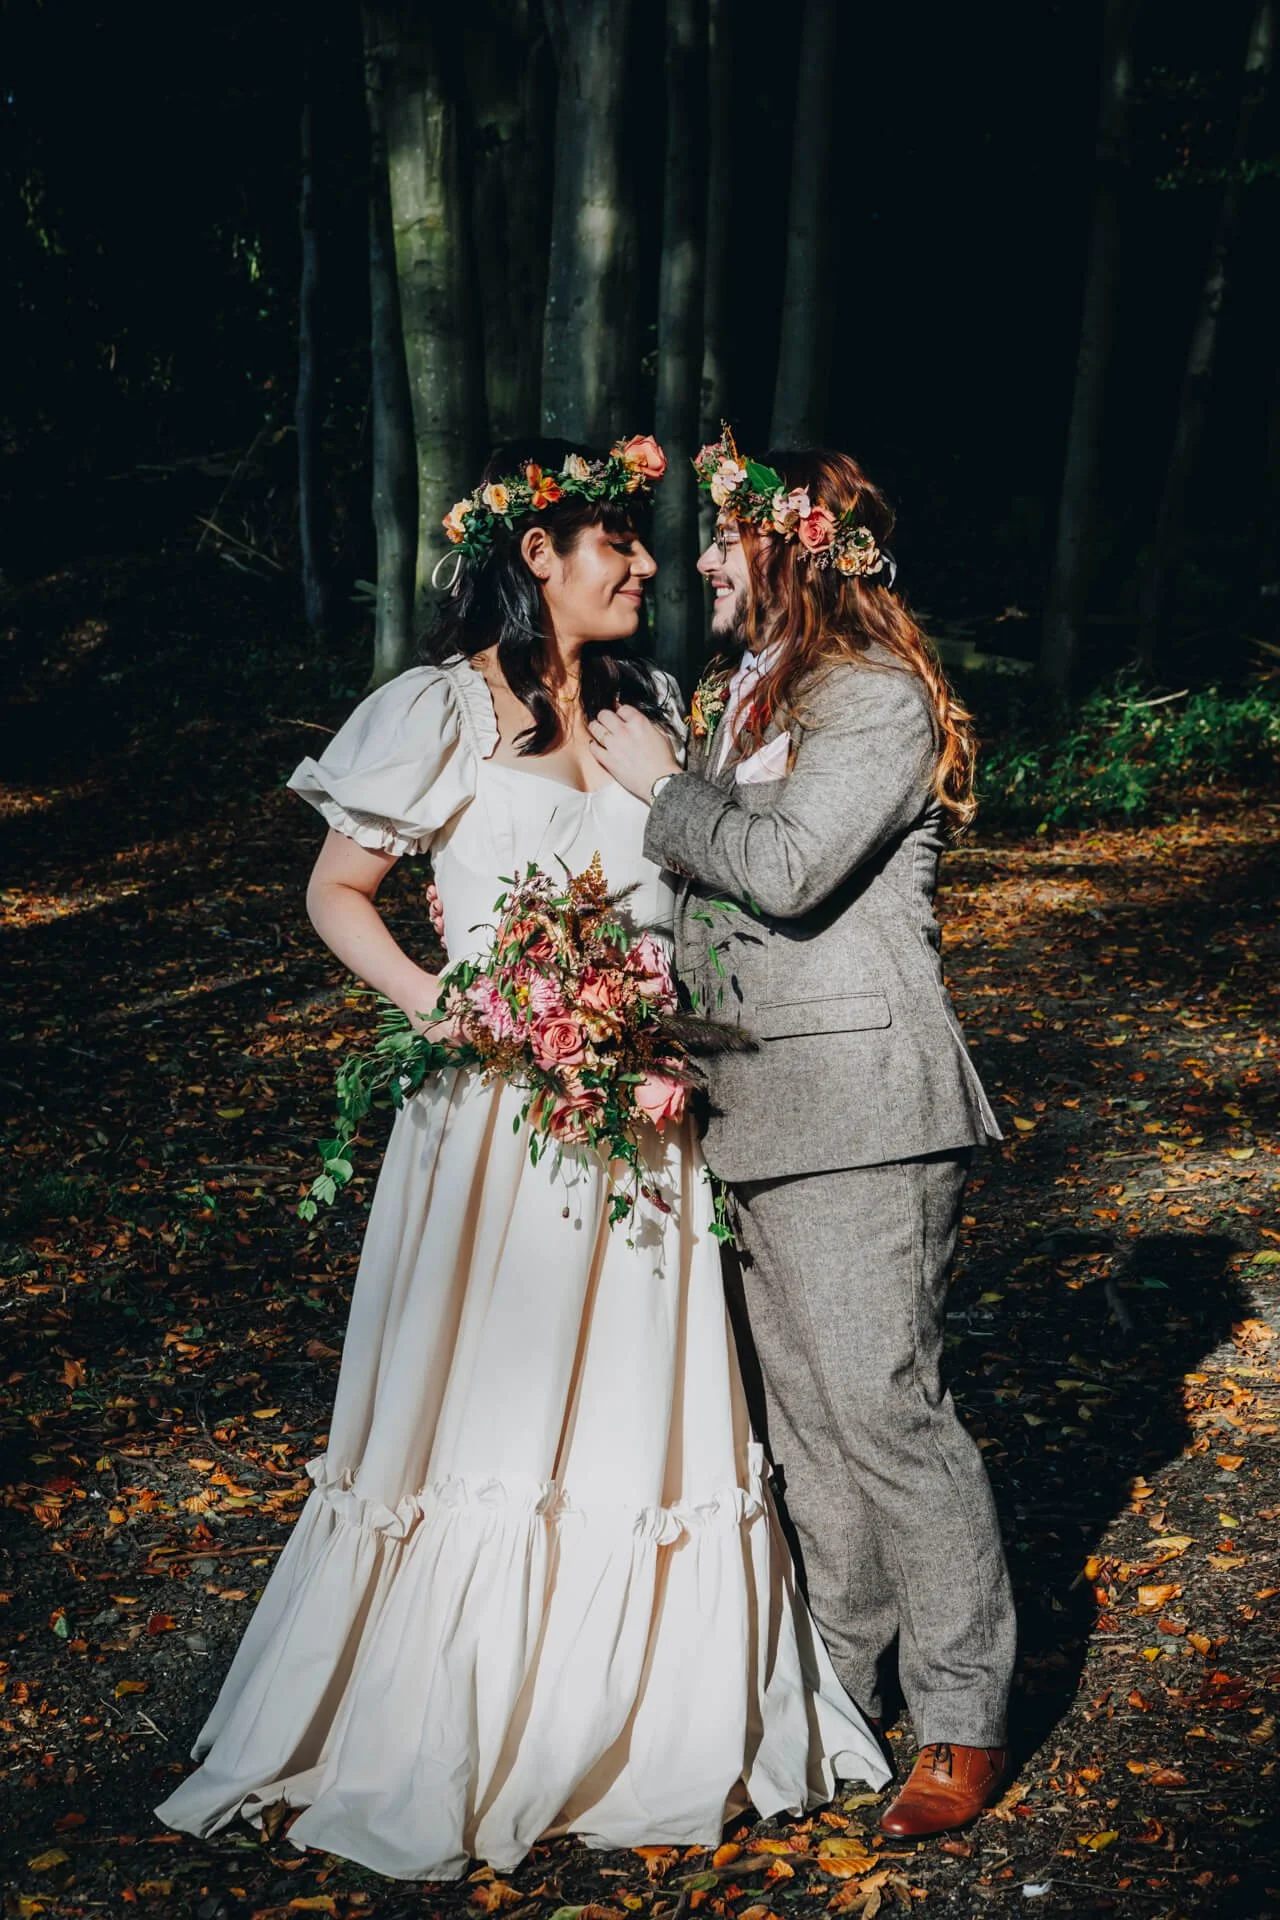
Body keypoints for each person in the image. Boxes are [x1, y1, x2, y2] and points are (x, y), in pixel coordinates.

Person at [154, 436, 888, 1882]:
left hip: (644, 1116)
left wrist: (662, 1017)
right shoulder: (435, 709)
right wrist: (458, 1007)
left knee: (635, 1411)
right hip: (496, 1124)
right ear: (533, 556)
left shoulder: (650, 704)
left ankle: (631, 1715)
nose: (642, 563)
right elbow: (339, 891)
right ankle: (459, 1712)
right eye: (611, 540)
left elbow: (702, 885)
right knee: (487, 1415)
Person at [588, 433, 1017, 1839]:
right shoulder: (740, 701)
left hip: (863, 1112)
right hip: (754, 1113)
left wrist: (663, 782)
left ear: (795, 547)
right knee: (812, 1439)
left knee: (889, 1418)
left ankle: (959, 1722)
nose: (702, 561)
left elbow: (781, 866)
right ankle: (841, 1690)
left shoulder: (875, 697)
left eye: (723, 540)